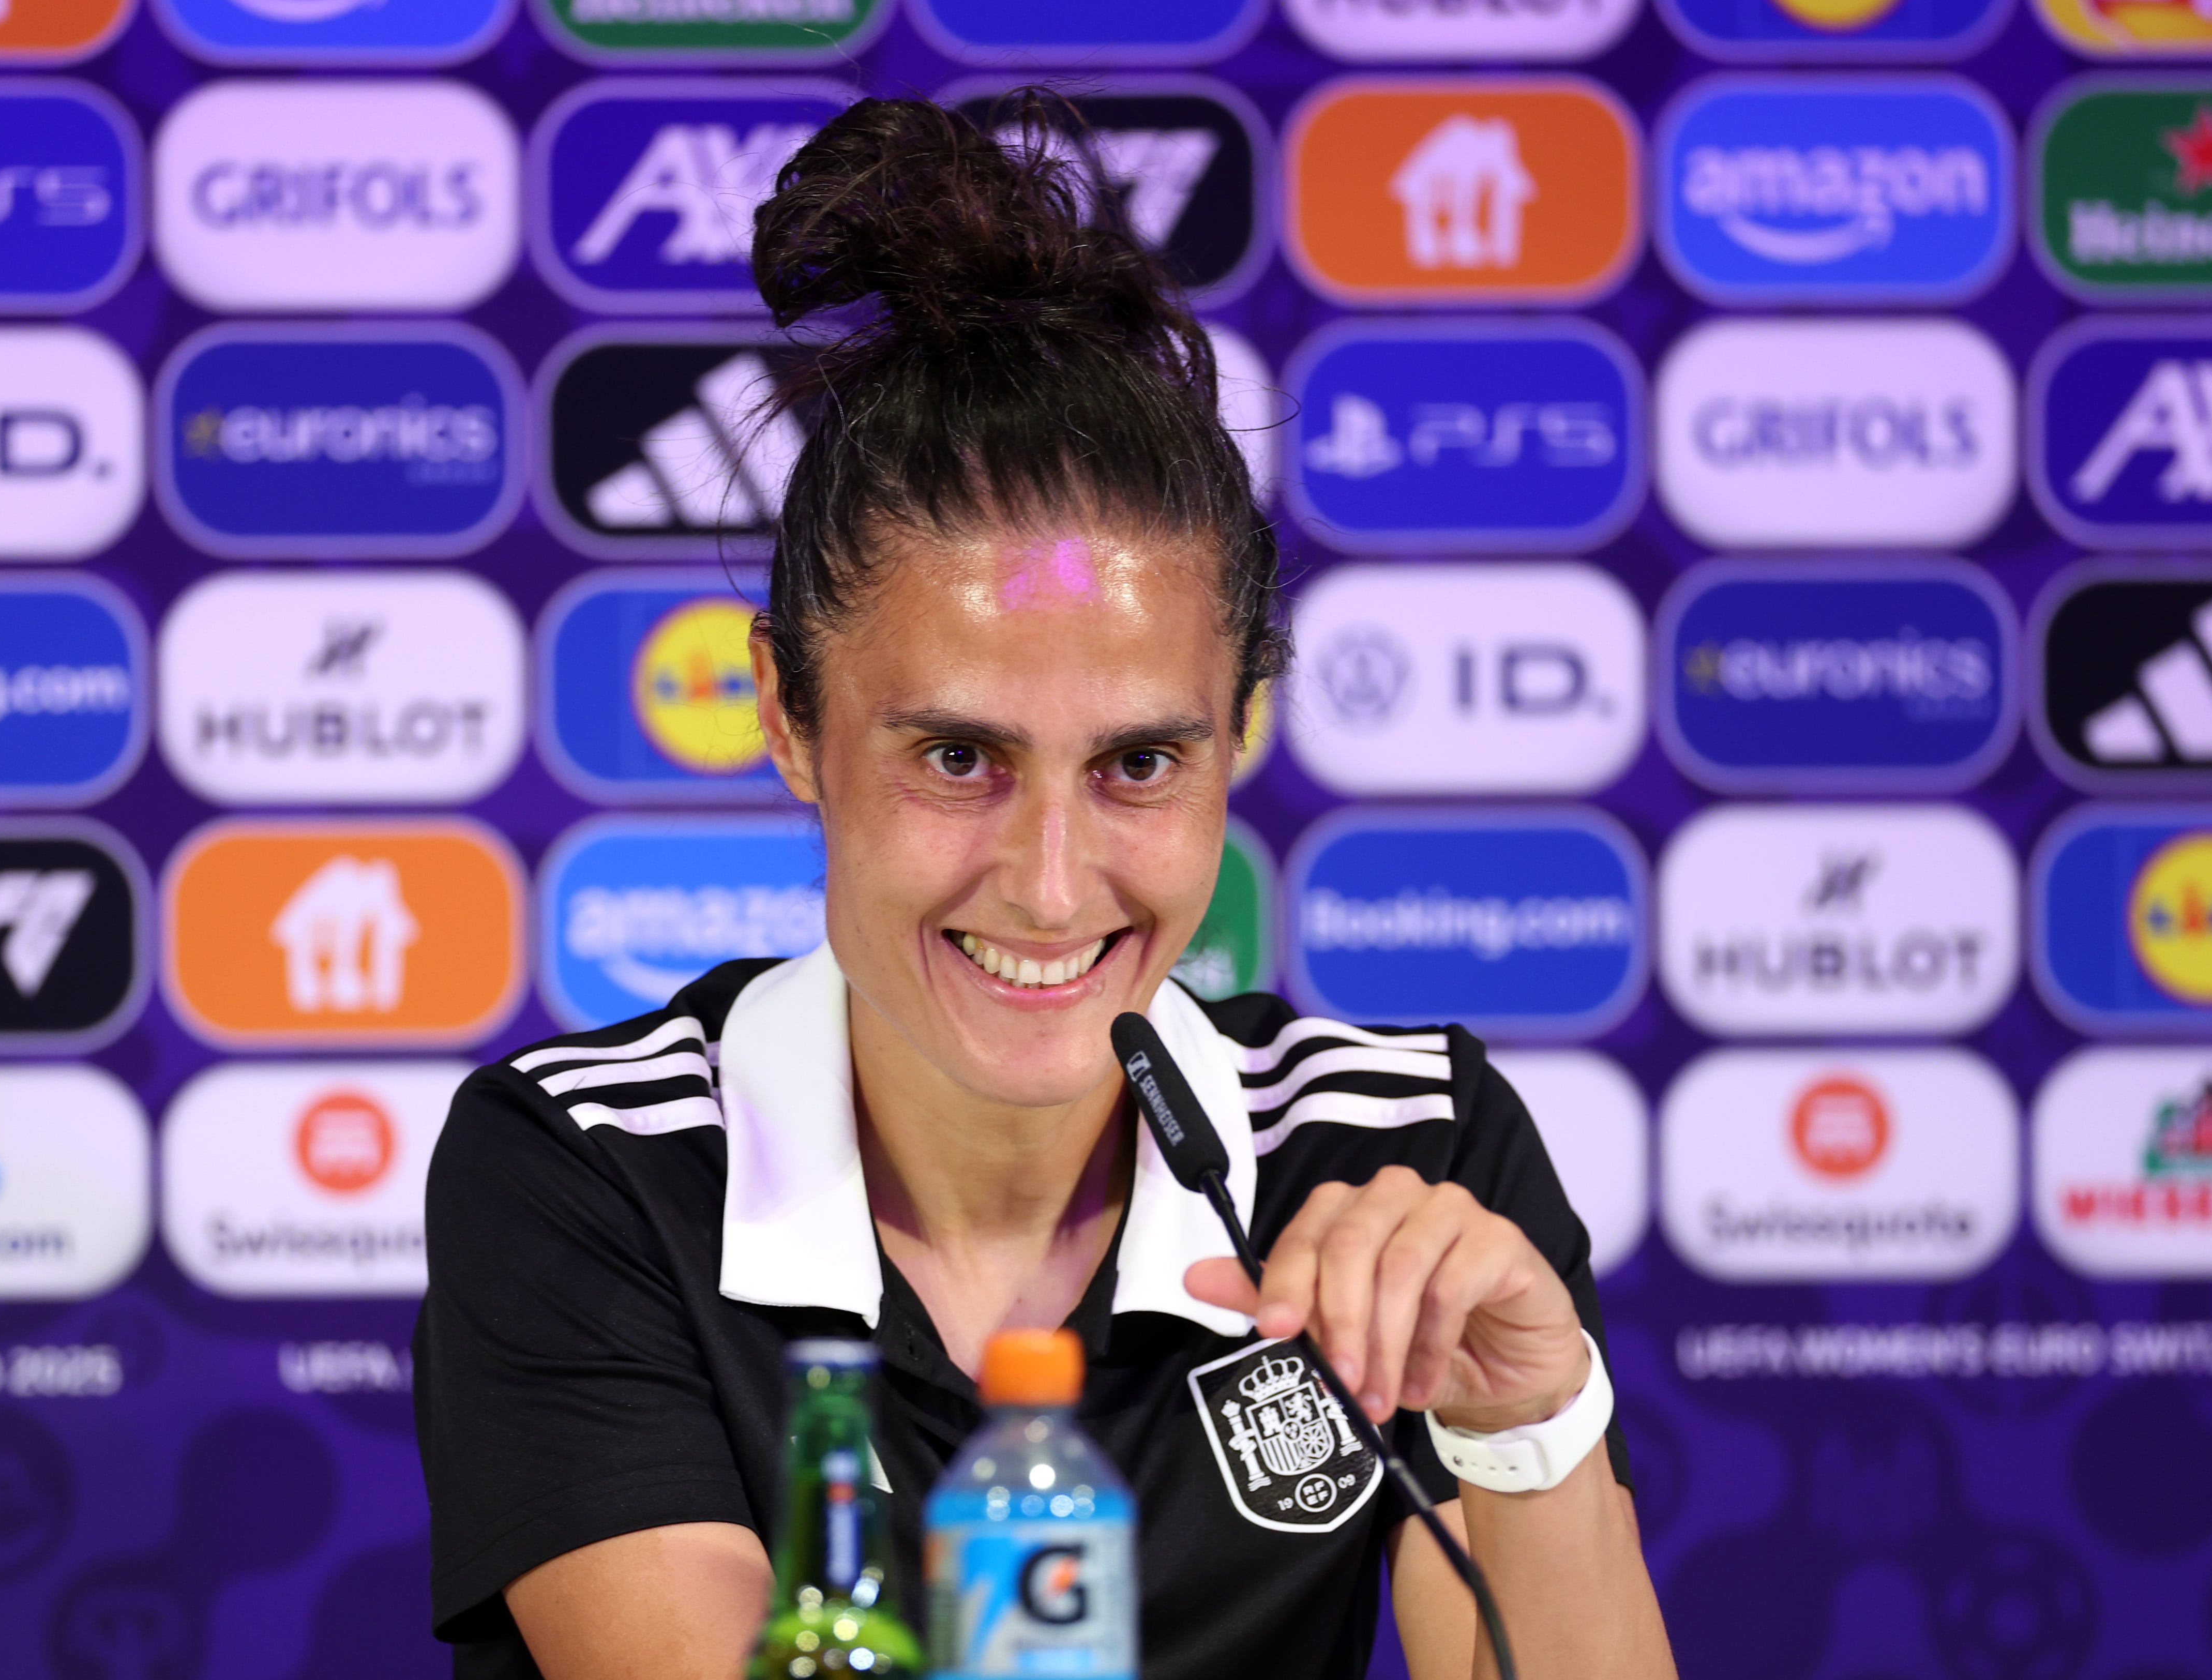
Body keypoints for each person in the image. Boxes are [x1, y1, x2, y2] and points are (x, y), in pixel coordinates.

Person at [415, 95, 1678, 1680]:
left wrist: (1528, 1423)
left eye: (1140, 763)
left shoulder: (1406, 1151)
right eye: (958, 758)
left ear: (1242, 735)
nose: (1051, 880)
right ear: (790, 719)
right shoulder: (594, 1169)